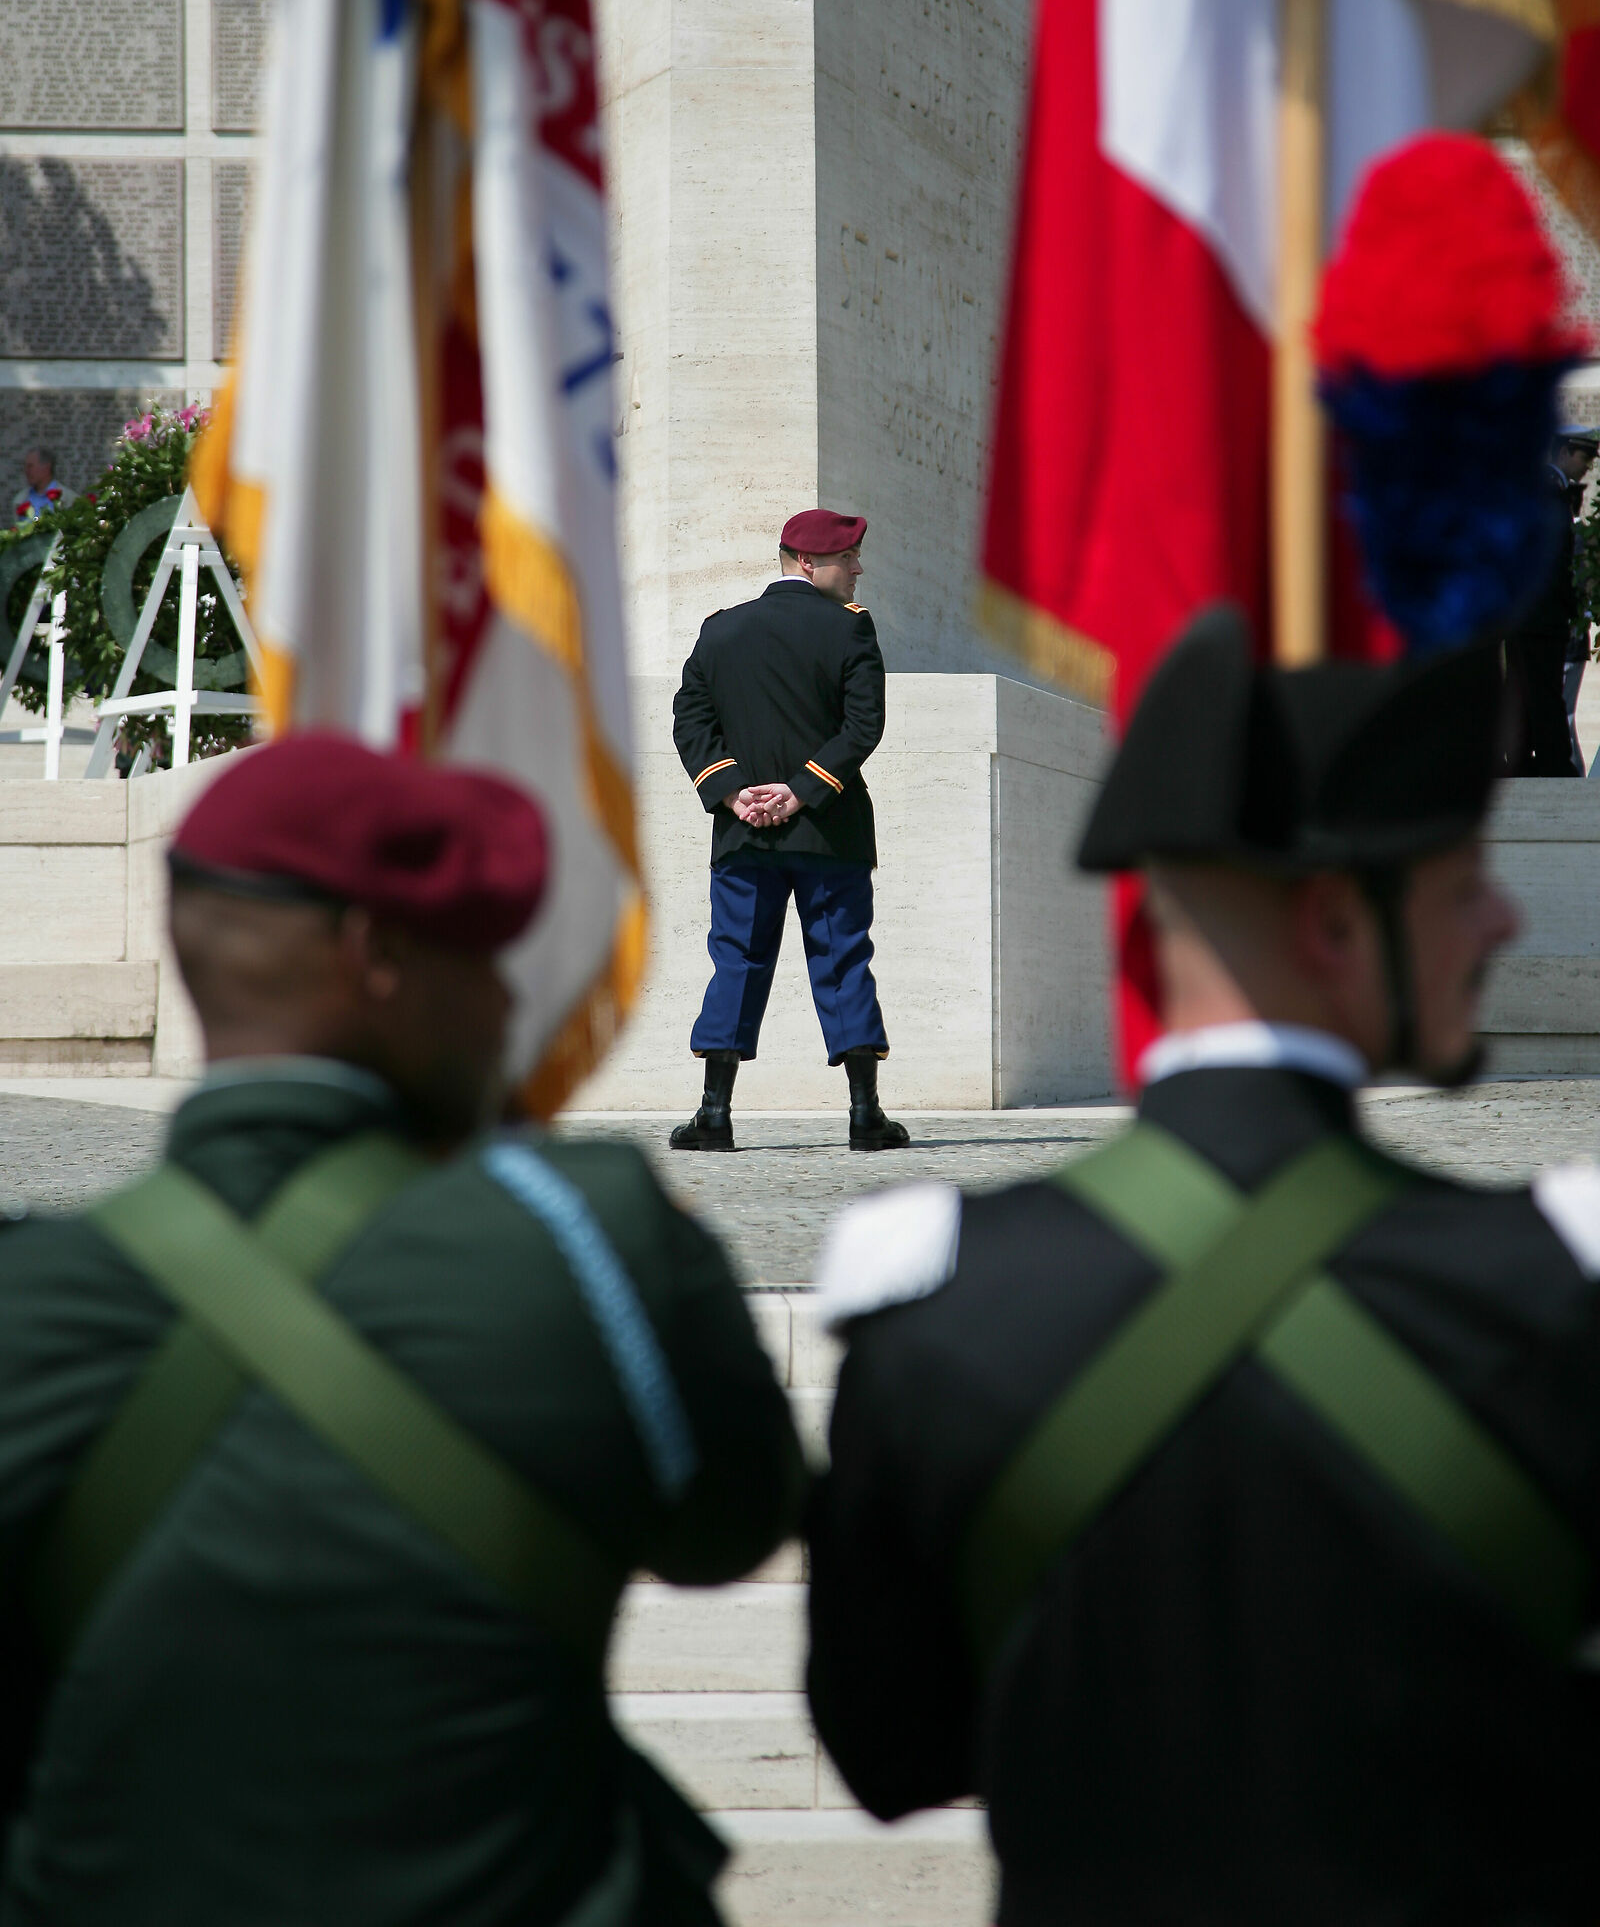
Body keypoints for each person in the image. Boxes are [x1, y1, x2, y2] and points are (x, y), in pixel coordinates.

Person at [807, 603, 1600, 1926]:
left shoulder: (941, 1299)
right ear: (1336, 925)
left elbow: (891, 1752)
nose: (1503, 919)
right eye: (1465, 885)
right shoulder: (1551, 1294)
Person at [0, 733, 804, 1927]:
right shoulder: (592, 1240)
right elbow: (732, 1526)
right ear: (378, 956)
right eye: (481, 957)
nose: (511, 1006)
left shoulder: (26, 1297)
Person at [670, 507, 905, 1153]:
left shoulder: (721, 630)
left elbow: (689, 719)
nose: (858, 569)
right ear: (807, 562)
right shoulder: (850, 629)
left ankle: (714, 1115)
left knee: (737, 962)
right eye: (846, 558)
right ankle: (865, 1116)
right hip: (830, 832)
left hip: (745, 835)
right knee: (843, 960)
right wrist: (803, 792)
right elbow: (863, 727)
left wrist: (732, 791)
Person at [1505, 426, 1595, 775]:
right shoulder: (1547, 490)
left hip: (1532, 612)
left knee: (1527, 687)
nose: (1587, 466)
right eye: (1584, 457)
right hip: (1541, 612)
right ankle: (1553, 761)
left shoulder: (1549, 488)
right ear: (1563, 452)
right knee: (1543, 688)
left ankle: (1523, 758)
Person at [1555, 425, 1600, 767]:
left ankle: (1569, 771)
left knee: (1564, 714)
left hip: (1569, 637)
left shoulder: (1578, 535)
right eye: (1584, 457)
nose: (1587, 466)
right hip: (1567, 634)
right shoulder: (1577, 533)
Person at [12, 446, 68, 523]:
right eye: (25, 466)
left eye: (30, 466)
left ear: (46, 468)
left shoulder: (67, 499)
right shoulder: (20, 500)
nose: (26, 471)